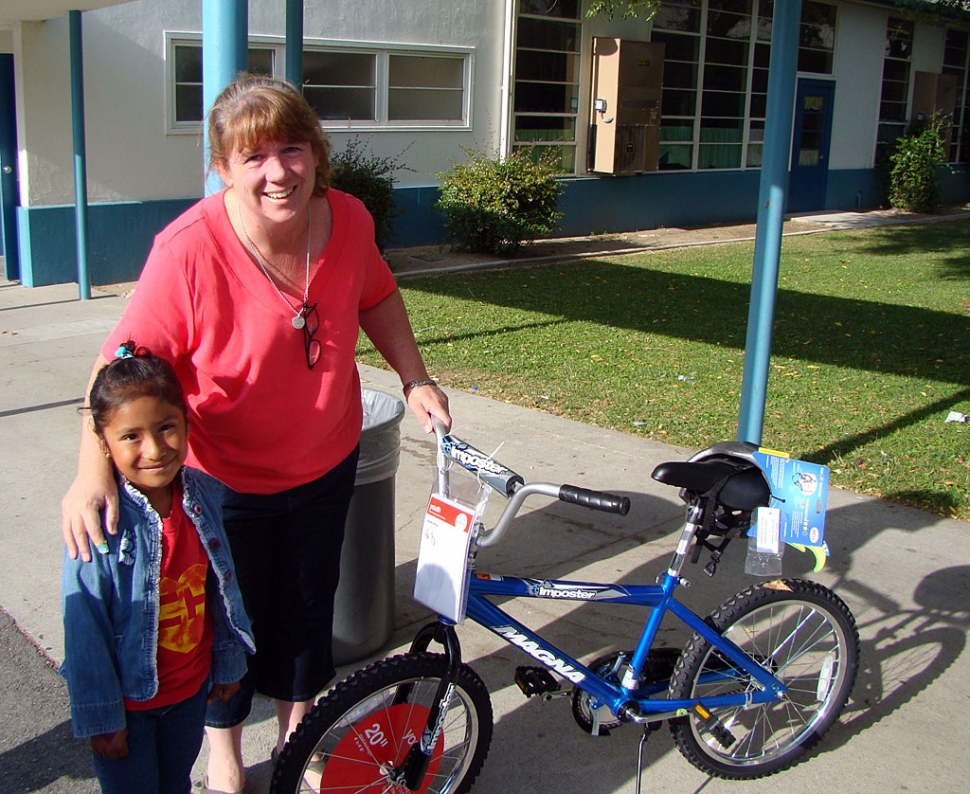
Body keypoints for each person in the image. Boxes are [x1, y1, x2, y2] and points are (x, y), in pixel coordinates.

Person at [61, 72, 451, 793]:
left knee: (305, 612)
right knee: (231, 626)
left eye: (293, 149)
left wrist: (414, 377)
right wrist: (91, 473)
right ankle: (226, 754)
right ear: (223, 167)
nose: (279, 172)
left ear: (316, 153)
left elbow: (379, 295)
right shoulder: (188, 249)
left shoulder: (350, 220)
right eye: (254, 156)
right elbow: (115, 367)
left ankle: (299, 735)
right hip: (222, 482)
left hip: (325, 464)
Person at [61, 342, 255, 794]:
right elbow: (84, 626)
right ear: (104, 445)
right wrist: (102, 715)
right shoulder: (97, 523)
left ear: (186, 423)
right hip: (130, 706)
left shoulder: (204, 496)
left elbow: (221, 587)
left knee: (175, 783)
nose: (154, 449)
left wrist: (226, 665)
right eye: (131, 436)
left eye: (166, 427)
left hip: (189, 695)